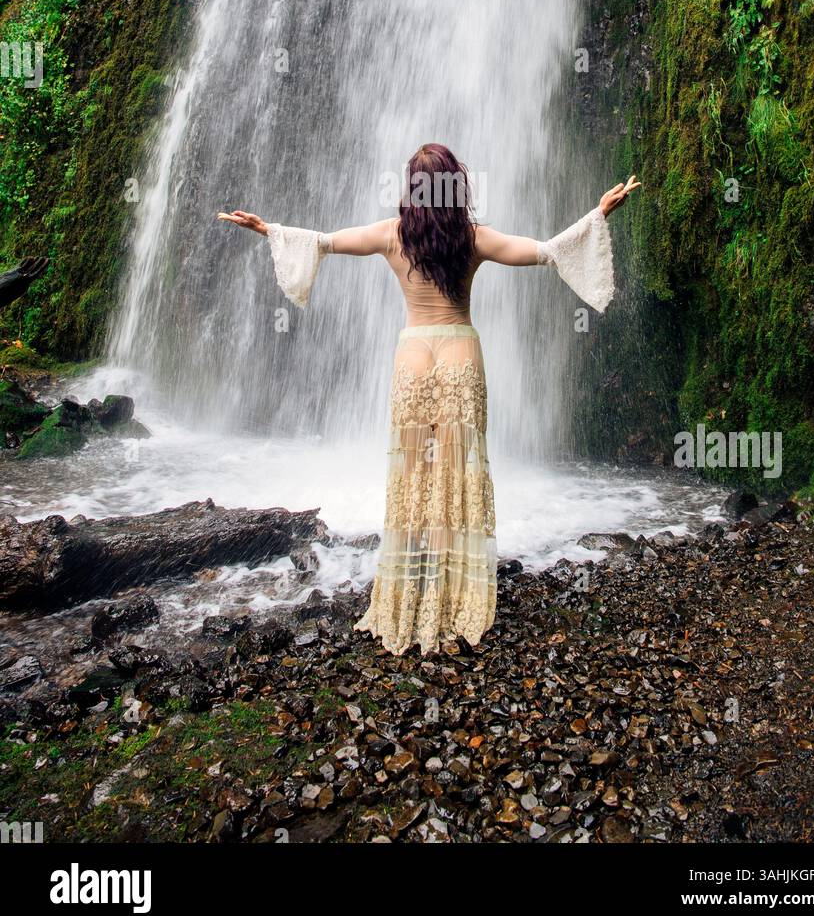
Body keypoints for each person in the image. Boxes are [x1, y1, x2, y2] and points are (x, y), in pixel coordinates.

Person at [218, 143, 639, 656]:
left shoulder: (391, 236)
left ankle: (408, 590)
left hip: (413, 355)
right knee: (458, 473)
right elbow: (546, 252)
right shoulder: (474, 239)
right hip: (460, 351)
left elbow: (325, 243)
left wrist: (269, 230)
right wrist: (598, 214)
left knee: (414, 476)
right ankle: (455, 587)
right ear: (457, 186)